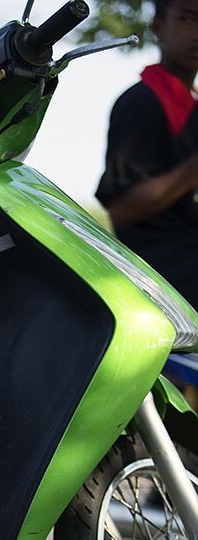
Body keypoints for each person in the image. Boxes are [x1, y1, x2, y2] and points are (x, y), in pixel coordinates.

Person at [96, 0, 198, 309]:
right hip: (167, 292)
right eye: (187, 19)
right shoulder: (142, 102)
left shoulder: (191, 107)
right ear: (158, 24)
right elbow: (122, 209)